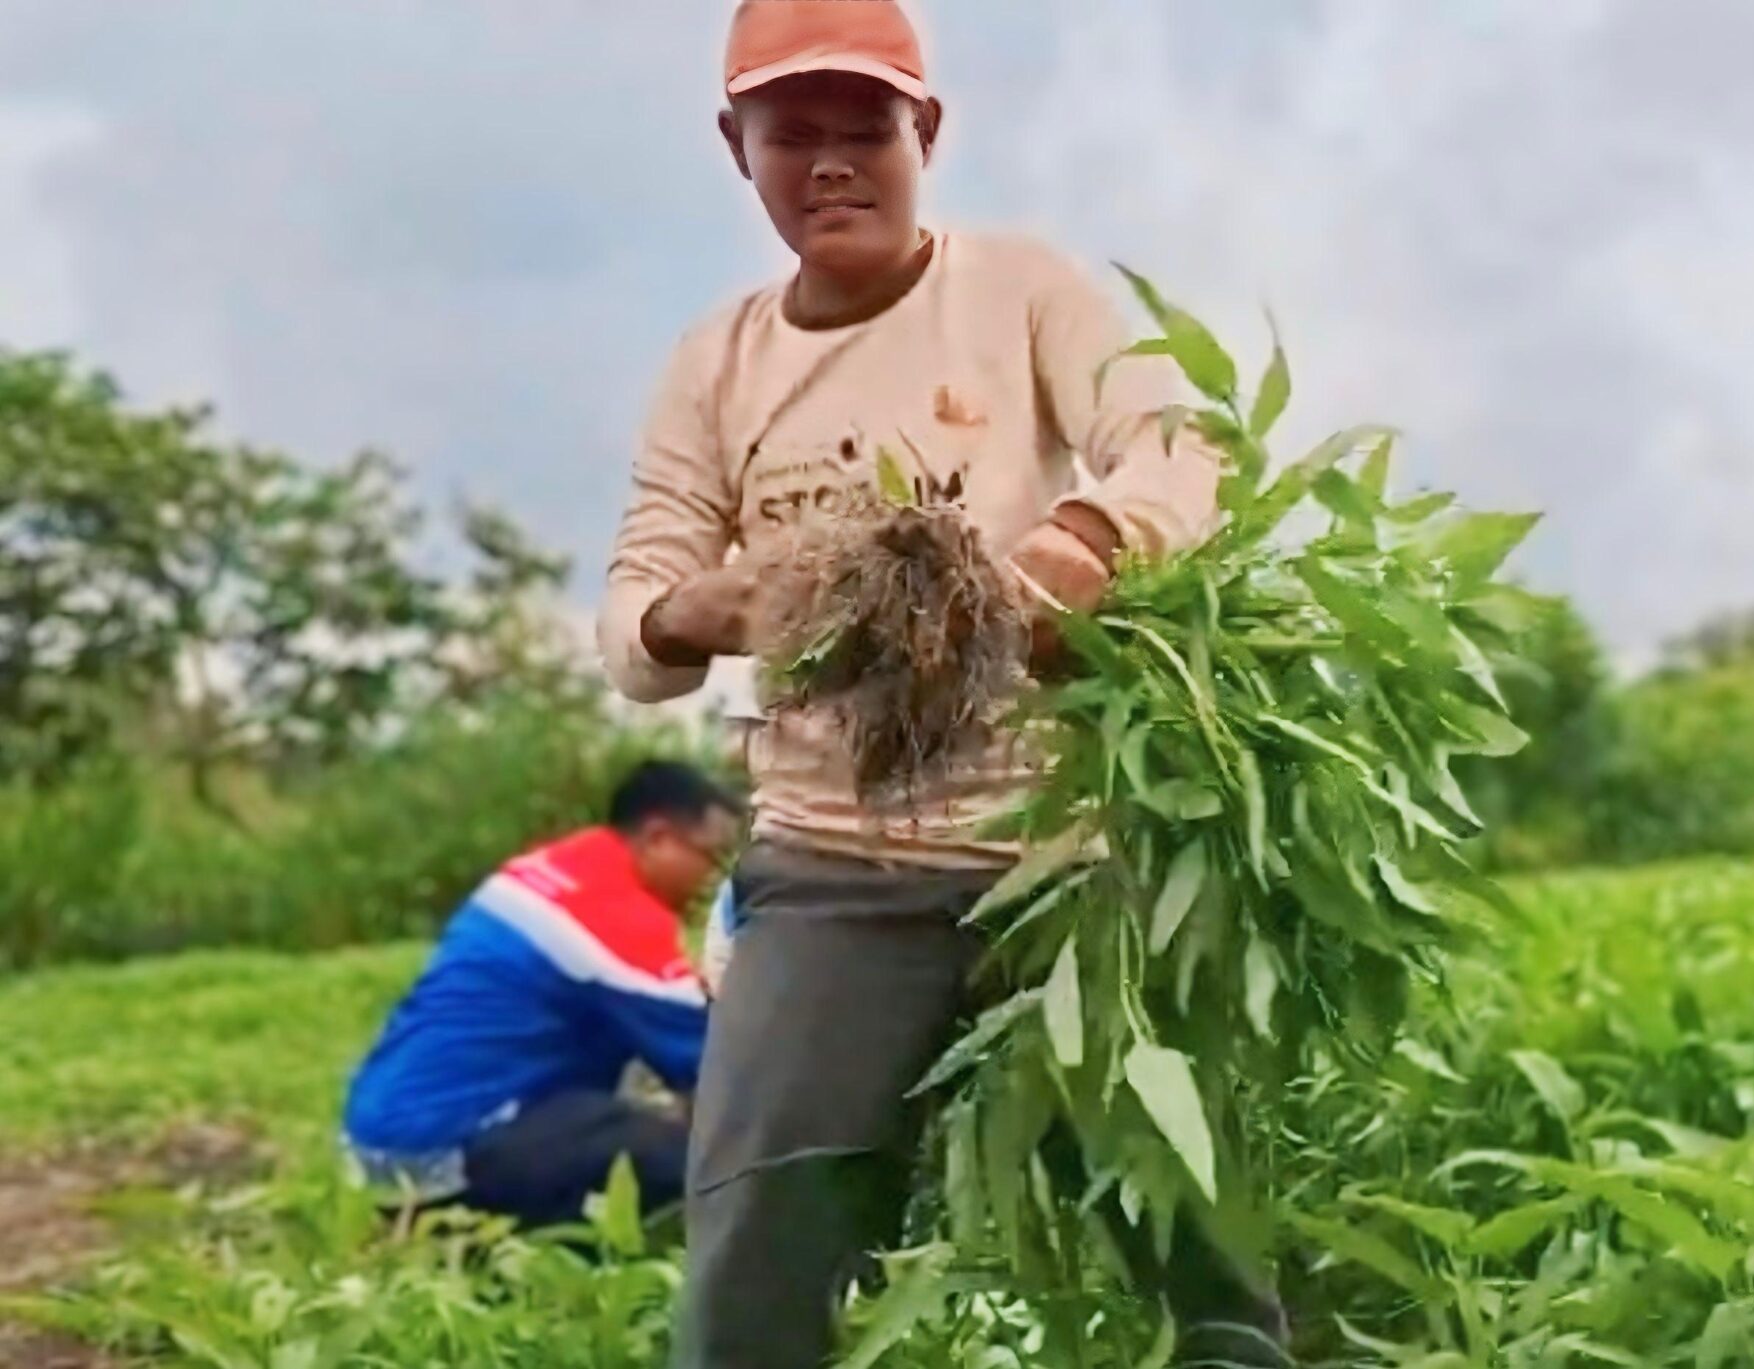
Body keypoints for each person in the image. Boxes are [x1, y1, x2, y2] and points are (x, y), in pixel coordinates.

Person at [597, 4, 1291, 1365]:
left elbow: (1182, 445)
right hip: (835, 863)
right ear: (736, 148)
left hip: (1060, 854)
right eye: (794, 133)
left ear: (928, 132)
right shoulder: (718, 363)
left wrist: (1072, 550)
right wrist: (701, 607)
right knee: (756, 1242)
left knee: (1188, 1222)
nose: (834, 163)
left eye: (868, 129)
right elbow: (634, 614)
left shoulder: (1018, 292)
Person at [339, 760, 741, 1231]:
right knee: (690, 1155)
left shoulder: (546, 871)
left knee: (629, 1098)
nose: (714, 881)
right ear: (658, 838)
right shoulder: (614, 914)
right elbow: (719, 1062)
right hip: (436, 1153)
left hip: (378, 1140)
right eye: (711, 858)